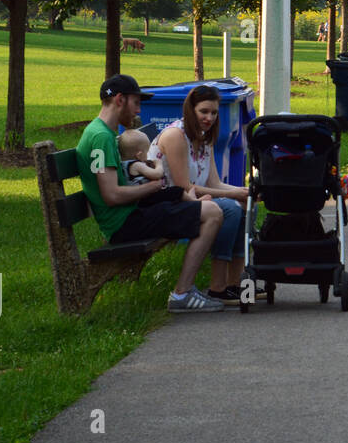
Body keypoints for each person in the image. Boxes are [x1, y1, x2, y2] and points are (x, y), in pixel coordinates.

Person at [77, 75, 225, 313]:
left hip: (131, 213)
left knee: (192, 200)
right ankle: (182, 294)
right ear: (119, 100)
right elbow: (111, 195)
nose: (138, 110)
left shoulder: (102, 132)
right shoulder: (101, 138)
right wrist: (153, 187)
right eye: (136, 103)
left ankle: (184, 292)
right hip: (123, 224)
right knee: (213, 213)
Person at [148, 84, 250, 305]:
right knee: (231, 209)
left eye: (214, 112)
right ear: (190, 110)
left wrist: (244, 193)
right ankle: (218, 286)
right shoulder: (176, 135)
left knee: (245, 205)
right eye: (203, 111)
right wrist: (234, 196)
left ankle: (235, 284)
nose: (209, 118)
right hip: (168, 203)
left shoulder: (205, 137)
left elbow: (214, 182)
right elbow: (186, 187)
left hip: (191, 200)